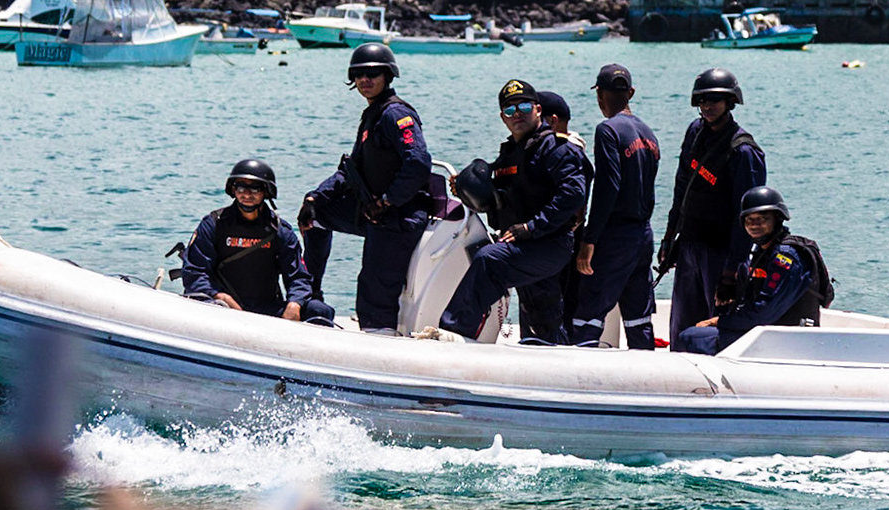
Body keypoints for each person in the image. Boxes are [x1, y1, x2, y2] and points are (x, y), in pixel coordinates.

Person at [437, 79, 588, 342]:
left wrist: (532, 227)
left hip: (548, 243)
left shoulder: (556, 149)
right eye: (509, 110)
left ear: (538, 110)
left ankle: (454, 333)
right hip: (520, 243)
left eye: (524, 107)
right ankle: (554, 350)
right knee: (542, 317)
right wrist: (464, 188)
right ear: (502, 117)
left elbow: (574, 194)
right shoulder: (509, 154)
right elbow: (494, 194)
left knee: (489, 261)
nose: (517, 114)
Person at [298, 42, 432, 332]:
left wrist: (388, 200)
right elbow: (351, 172)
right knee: (316, 216)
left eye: (372, 74)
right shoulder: (372, 114)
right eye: (358, 75)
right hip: (373, 210)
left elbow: (419, 162)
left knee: (373, 290)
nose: (364, 80)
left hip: (399, 216)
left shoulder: (395, 114)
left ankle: (379, 336)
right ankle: (310, 295)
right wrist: (315, 198)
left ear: (388, 76)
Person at [657, 67, 766, 341]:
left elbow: (749, 219)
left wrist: (732, 271)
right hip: (690, 245)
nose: (707, 106)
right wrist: (669, 238)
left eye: (715, 100)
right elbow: (681, 188)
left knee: (717, 331)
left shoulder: (743, 152)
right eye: (702, 100)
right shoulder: (695, 133)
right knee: (681, 329)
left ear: (730, 102)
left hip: (722, 253)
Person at [671, 186, 824, 355]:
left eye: (762, 219)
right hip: (769, 331)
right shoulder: (764, 252)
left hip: (788, 339)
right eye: (749, 220)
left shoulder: (786, 257)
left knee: (691, 337)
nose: (754, 225)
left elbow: (764, 312)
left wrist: (719, 321)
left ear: (778, 219)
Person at [570, 63, 660, 348]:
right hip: (643, 235)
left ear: (599, 95)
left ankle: (580, 367)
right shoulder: (648, 133)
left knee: (588, 313)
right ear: (630, 93)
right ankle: (644, 365)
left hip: (615, 236)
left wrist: (589, 240)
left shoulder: (607, 130)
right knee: (638, 316)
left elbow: (608, 187)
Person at [182, 158, 332, 323]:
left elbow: (298, 277)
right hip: (221, 305)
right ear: (233, 189)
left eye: (254, 189)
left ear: (266, 192)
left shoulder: (280, 231)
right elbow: (195, 272)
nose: (247, 194)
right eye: (241, 187)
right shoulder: (214, 224)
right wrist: (218, 295)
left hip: (265, 307)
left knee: (320, 310)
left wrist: (295, 303)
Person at [537, 90, 589, 327]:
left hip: (561, 240)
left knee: (558, 308)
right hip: (562, 239)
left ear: (552, 121)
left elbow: (577, 207)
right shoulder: (567, 152)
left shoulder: (566, 154)